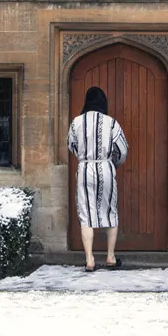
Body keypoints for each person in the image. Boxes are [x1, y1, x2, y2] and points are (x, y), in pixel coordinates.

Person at [67, 86, 129, 271]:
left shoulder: (76, 122)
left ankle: (89, 260)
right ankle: (110, 257)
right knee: (110, 211)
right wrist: (113, 164)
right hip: (105, 167)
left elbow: (71, 145)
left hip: (85, 168)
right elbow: (123, 149)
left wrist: (84, 158)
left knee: (85, 214)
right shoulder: (111, 123)